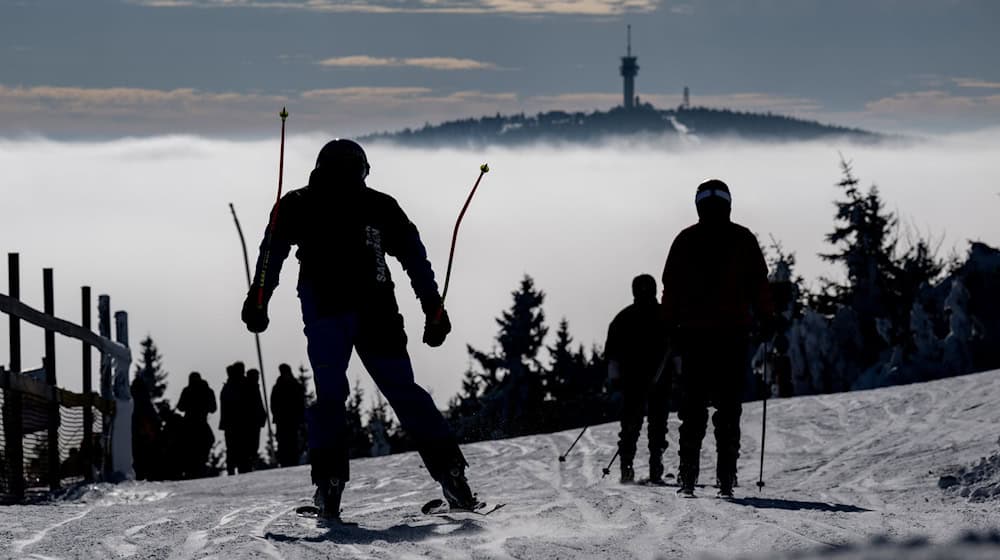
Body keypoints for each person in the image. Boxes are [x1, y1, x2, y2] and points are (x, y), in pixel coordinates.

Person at [241, 138, 474, 520]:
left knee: (331, 398)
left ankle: (329, 486)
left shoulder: (298, 202)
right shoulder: (380, 205)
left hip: (324, 311)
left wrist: (259, 299)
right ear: (363, 169)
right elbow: (415, 257)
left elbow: (272, 252)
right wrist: (433, 308)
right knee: (404, 392)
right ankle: (452, 474)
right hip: (378, 310)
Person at [661, 179, 772, 498]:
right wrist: (766, 318)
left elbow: (671, 288)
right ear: (728, 204)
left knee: (692, 409)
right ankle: (725, 477)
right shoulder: (742, 238)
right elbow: (759, 284)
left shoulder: (685, 239)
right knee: (728, 408)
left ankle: (688, 477)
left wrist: (668, 327)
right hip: (732, 336)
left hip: (693, 338)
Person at [604, 274, 672, 484]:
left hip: (633, 381)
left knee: (632, 424)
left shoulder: (623, 318)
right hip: (657, 379)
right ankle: (653, 463)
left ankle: (628, 464)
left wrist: (614, 380)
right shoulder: (665, 315)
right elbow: (677, 349)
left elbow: (612, 355)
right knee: (656, 423)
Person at [177, 371, 218, 478]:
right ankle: (200, 465)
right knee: (207, 441)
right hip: (200, 422)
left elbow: (180, 407)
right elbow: (213, 408)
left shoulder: (187, 390)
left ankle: (193, 467)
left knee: (190, 446)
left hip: (189, 423)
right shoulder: (207, 390)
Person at [271, 363, 306, 467]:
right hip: (283, 419)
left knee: (292, 441)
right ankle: (286, 461)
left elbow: (300, 402)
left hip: (291, 419)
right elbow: (274, 404)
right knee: (284, 442)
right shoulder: (280, 386)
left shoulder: (293, 385)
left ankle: (292, 460)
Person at [219, 362, 251, 475]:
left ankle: (236, 468)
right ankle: (240, 468)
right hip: (239, 422)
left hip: (233, 423)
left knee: (234, 448)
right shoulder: (240, 385)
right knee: (239, 447)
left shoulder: (229, 387)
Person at [244, 368, 268, 469]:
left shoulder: (254, 386)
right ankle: (250, 464)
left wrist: (263, 415)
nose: (257, 378)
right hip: (251, 421)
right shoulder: (249, 387)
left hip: (255, 421)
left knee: (254, 444)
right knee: (251, 444)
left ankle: (252, 463)